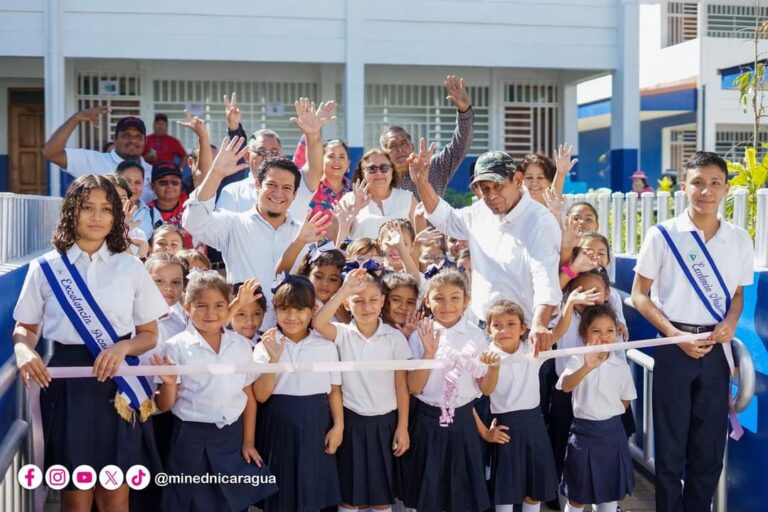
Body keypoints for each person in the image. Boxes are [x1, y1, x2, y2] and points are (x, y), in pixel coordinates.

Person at [13, 174, 168, 511]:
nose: (97, 217)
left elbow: (149, 335)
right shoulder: (46, 268)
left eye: (105, 209)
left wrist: (122, 348)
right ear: (72, 212)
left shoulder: (130, 267)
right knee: (76, 497)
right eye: (87, 208)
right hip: (68, 387)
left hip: (119, 385)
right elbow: (25, 327)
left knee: (115, 495)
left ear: (115, 216)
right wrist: (24, 349)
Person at [631, 151, 754, 512]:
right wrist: (673, 332)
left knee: (709, 446)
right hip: (674, 347)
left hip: (716, 351)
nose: (706, 190)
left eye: (715, 182)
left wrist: (731, 322)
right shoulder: (663, 235)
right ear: (685, 186)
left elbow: (738, 295)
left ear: (726, 188)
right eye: (698, 182)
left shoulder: (739, 239)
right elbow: (639, 294)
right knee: (670, 448)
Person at [410, 144, 562, 350]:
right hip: (483, 329)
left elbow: (545, 278)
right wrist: (422, 182)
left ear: (517, 180)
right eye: (485, 188)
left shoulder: (540, 222)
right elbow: (445, 219)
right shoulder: (479, 212)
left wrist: (539, 325)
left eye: (498, 186)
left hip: (524, 334)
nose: (491, 195)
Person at [151, 271, 278, 511]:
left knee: (232, 502)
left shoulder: (240, 344)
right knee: (190, 502)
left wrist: (248, 442)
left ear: (227, 305)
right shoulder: (175, 347)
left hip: (231, 437)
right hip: (190, 437)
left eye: (219, 305)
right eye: (201, 306)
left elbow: (248, 396)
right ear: (187, 307)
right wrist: (168, 382)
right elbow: (165, 405)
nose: (211, 313)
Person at [314, 268, 413, 512]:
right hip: (351, 422)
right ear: (347, 304)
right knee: (350, 495)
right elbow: (318, 322)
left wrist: (402, 427)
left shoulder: (394, 338)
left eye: (372, 300)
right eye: (358, 301)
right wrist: (345, 290)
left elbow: (402, 385)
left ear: (382, 302)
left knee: (382, 496)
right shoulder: (343, 334)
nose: (366, 307)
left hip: (386, 424)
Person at [401, 268, 493, 512]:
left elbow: (485, 387)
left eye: (455, 298)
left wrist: (494, 368)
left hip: (463, 418)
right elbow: (414, 387)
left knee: (462, 492)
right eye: (438, 298)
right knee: (427, 491)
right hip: (426, 419)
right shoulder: (420, 333)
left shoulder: (476, 334)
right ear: (428, 302)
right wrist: (429, 353)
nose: (447, 305)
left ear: (466, 301)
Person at [252, 275, 344, 512]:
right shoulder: (266, 344)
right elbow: (261, 396)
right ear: (275, 309)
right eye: (284, 309)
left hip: (317, 423)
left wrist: (338, 427)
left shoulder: (325, 345)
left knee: (314, 490)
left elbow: (334, 390)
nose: (291, 317)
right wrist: (273, 359)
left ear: (313, 310)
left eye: (299, 309)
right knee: (281, 494)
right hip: (277, 424)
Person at [481, 298, 559, 512]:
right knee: (505, 490)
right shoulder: (484, 357)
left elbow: (557, 332)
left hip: (534, 426)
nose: (504, 330)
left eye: (511, 324)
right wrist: (485, 432)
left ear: (524, 327)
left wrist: (569, 304)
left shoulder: (531, 351)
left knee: (534, 491)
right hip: (504, 428)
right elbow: (466, 400)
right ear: (488, 329)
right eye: (497, 325)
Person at [556, 304, 636, 512]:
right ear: (584, 334)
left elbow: (626, 399)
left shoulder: (621, 365)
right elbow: (565, 386)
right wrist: (587, 367)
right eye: (596, 331)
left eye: (610, 331)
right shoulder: (577, 359)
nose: (604, 336)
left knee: (609, 494)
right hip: (583, 434)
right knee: (577, 495)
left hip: (612, 434)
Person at [217, 98, 335, 221]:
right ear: (247, 155)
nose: (268, 157)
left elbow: (314, 169)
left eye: (274, 152)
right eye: (261, 151)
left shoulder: (295, 184)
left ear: (282, 157)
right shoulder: (232, 192)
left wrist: (312, 134)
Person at [380, 76, 474, 199]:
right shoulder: (379, 179)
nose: (400, 149)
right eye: (392, 145)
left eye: (404, 143)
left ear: (412, 147)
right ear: (384, 153)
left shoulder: (433, 167)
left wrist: (464, 111)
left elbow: (460, 145)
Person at [42, 109, 155, 202]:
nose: (133, 141)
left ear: (145, 141)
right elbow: (51, 153)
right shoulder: (94, 160)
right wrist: (76, 118)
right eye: (126, 136)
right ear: (115, 139)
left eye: (138, 137)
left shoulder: (154, 172)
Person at [338, 150, 417, 239]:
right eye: (372, 169)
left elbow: (419, 242)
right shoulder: (349, 199)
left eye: (384, 168)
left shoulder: (408, 198)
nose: (378, 173)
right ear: (363, 173)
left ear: (392, 171)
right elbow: (337, 247)